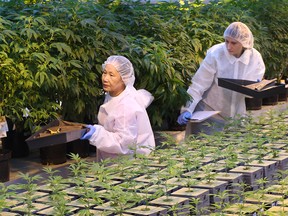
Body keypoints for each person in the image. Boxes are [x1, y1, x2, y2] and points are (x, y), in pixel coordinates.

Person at [177, 22, 265, 134]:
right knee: (205, 149)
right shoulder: (216, 54)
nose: (229, 46)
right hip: (210, 114)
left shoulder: (254, 58)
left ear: (244, 43)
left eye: (234, 43)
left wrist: (255, 88)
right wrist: (187, 109)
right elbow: (198, 84)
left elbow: (250, 91)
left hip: (236, 116)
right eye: (226, 41)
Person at [81, 55, 155, 161]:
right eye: (104, 73)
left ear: (123, 79)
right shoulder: (114, 94)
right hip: (112, 160)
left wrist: (96, 134)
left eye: (112, 75)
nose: (105, 78)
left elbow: (124, 144)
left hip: (126, 164)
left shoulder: (126, 105)